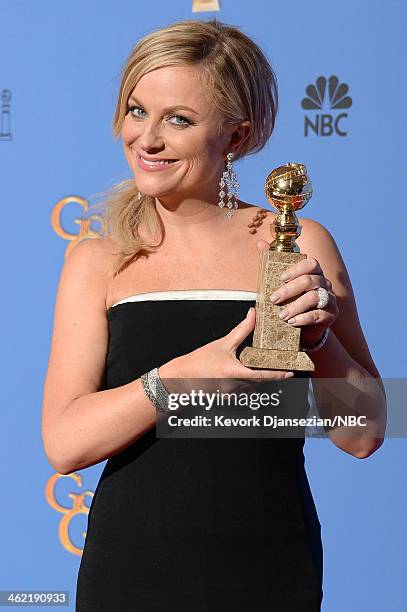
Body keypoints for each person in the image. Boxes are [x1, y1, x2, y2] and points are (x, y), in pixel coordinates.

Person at [41, 18, 386, 611]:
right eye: (136, 110)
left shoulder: (301, 242)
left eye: (178, 119)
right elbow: (64, 442)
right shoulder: (97, 261)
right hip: (131, 572)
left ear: (236, 135)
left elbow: (366, 434)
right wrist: (178, 380)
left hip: (271, 565)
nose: (146, 138)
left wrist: (318, 341)